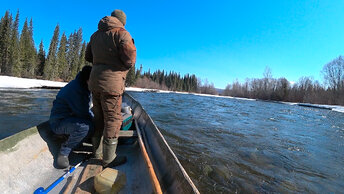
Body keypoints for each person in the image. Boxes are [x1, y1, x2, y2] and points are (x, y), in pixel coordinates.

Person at [85, 9, 136, 167]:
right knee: (113, 120)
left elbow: (88, 57)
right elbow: (130, 61)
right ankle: (108, 159)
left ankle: (97, 152)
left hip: (95, 83)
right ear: (122, 21)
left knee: (98, 118)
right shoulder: (123, 34)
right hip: (112, 84)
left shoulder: (94, 35)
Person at [49, 66, 94, 169]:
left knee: (90, 124)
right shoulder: (77, 89)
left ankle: (75, 141)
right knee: (85, 127)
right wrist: (96, 121)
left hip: (69, 119)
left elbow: (85, 111)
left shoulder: (83, 85)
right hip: (58, 122)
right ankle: (64, 151)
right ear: (88, 79)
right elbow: (83, 113)